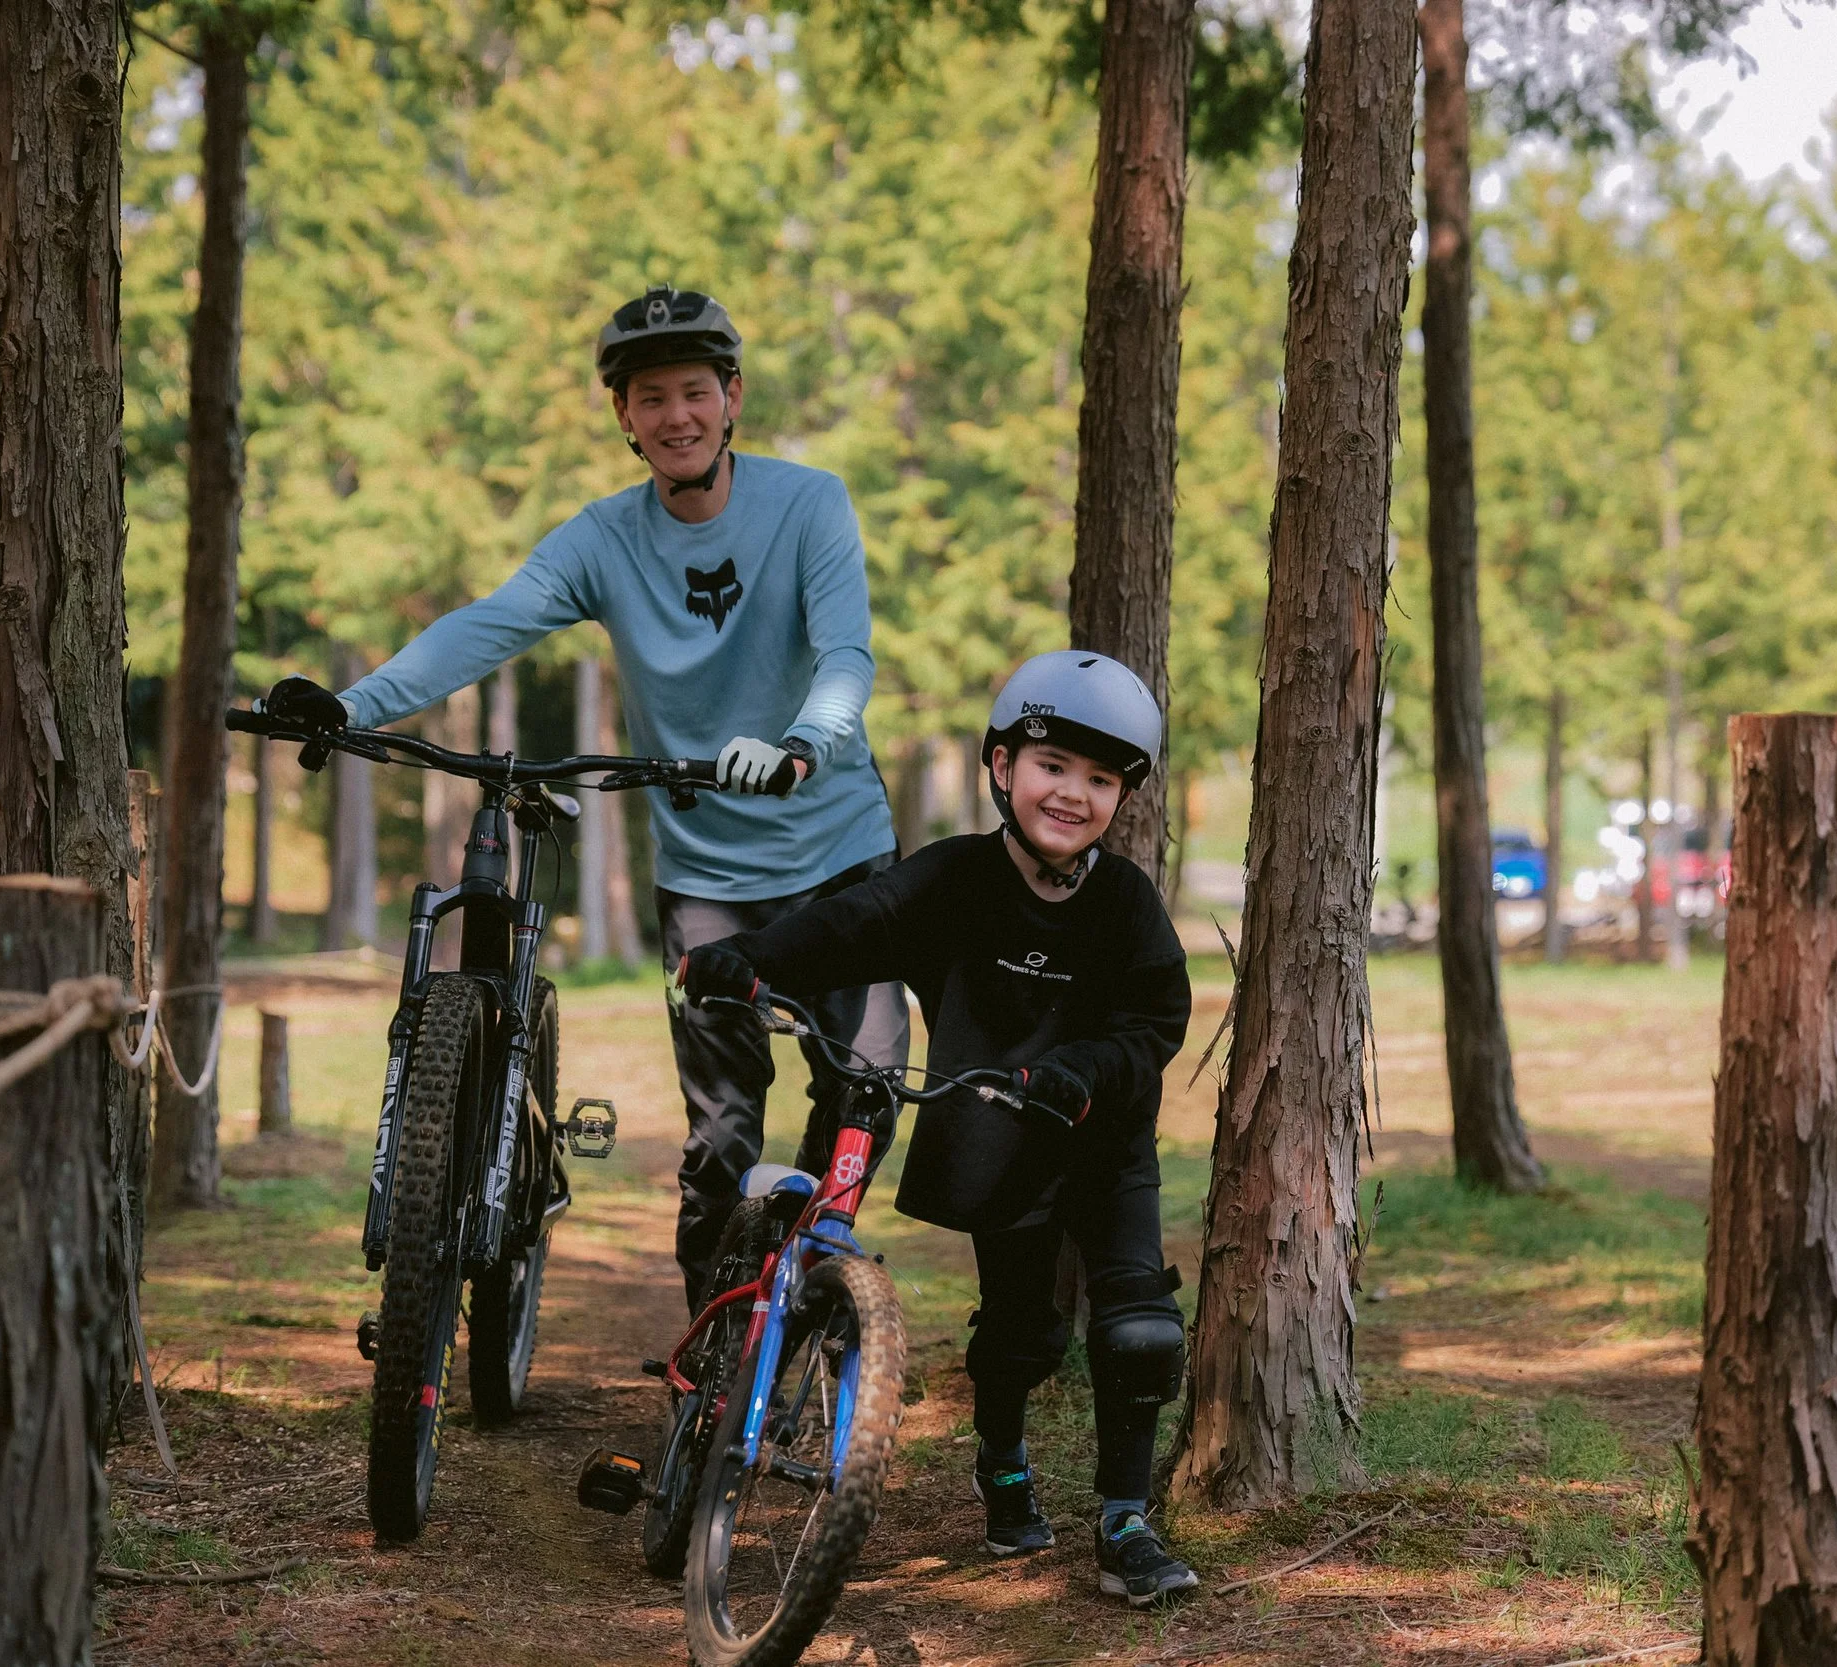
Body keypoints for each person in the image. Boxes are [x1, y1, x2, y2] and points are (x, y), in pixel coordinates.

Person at [262, 284, 906, 1309]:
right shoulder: (603, 539)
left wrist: (801, 744)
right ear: (624, 417)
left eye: (695, 391)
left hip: (841, 856)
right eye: (651, 398)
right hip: (709, 877)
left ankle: (817, 1283)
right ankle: (710, 1345)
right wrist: (349, 704)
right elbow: (488, 622)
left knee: (866, 1083)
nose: (676, 416)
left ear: (733, 398)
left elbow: (845, 655)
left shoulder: (809, 504)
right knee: (722, 1135)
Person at [677, 650, 1200, 1608]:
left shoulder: (1126, 902)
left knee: (1139, 1331)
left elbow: (1156, 1020)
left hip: (1103, 1137)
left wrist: (1082, 1072)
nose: (1072, 793)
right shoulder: (956, 877)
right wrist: (747, 956)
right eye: (1052, 765)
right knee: (1021, 1333)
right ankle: (1002, 1460)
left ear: (1124, 796)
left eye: (1100, 778)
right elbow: (852, 922)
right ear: (1001, 764)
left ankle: (1125, 1519)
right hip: (1003, 1139)